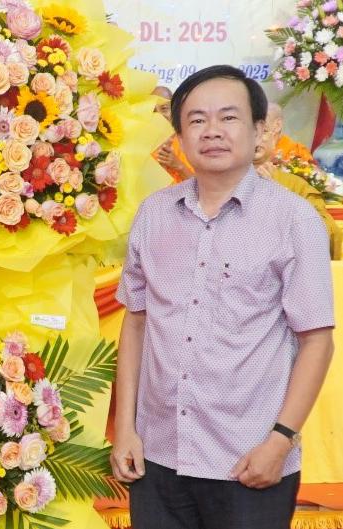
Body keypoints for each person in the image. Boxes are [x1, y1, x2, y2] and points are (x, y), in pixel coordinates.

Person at [111, 65, 334, 529]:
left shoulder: (294, 219)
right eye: (196, 120)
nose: (211, 131)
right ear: (179, 137)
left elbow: (317, 340)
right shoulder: (154, 214)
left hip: (249, 458)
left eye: (228, 117)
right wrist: (126, 430)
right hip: (158, 455)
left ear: (259, 131)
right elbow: (136, 323)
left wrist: (281, 440)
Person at [253, 116, 342, 260]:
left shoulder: (296, 186)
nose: (256, 139)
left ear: (274, 140)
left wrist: (281, 199)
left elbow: (326, 232)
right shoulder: (218, 184)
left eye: (263, 131)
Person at [152, 85, 195, 183]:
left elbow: (204, 187)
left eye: (164, 108)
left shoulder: (190, 141)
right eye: (153, 111)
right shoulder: (141, 145)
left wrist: (178, 165)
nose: (159, 115)